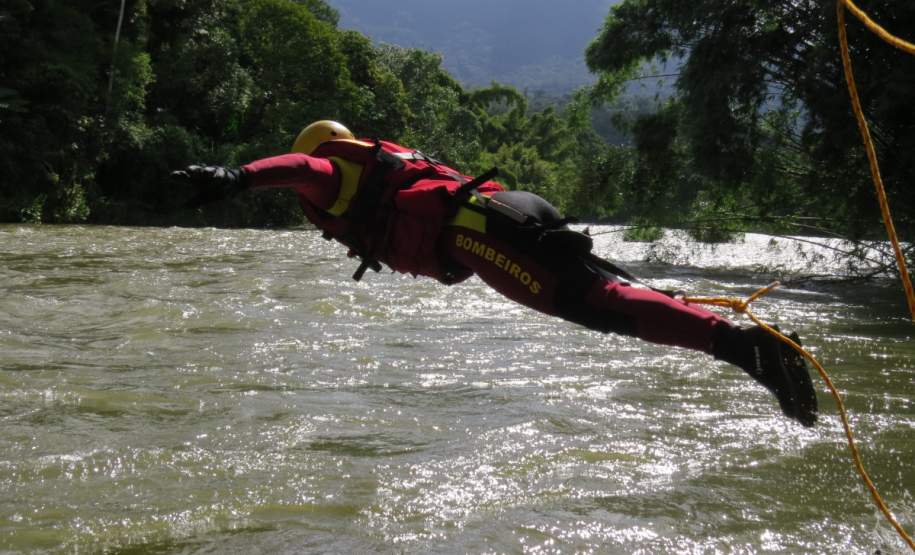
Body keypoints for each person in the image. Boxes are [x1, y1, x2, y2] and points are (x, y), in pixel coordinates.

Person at [173, 120, 818, 427]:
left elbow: (295, 169)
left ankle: (754, 351)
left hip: (479, 235)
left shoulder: (328, 172)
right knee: (605, 296)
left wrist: (237, 177)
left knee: (597, 304)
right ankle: (752, 350)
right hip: (501, 214)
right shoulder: (370, 168)